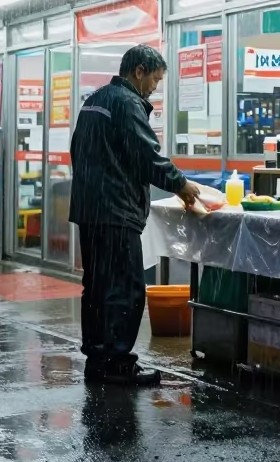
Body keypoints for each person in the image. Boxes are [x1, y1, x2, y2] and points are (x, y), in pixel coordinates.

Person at [70, 44, 201, 386]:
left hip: (90, 210)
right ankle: (118, 364)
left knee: (96, 287)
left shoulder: (96, 98)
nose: (155, 88)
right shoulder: (127, 103)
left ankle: (97, 359)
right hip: (115, 212)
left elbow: (78, 149)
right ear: (138, 72)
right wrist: (182, 185)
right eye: (154, 80)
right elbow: (147, 155)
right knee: (125, 289)